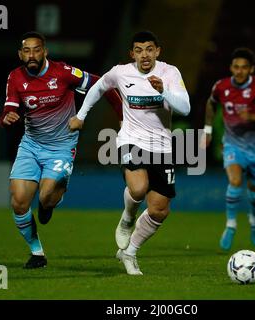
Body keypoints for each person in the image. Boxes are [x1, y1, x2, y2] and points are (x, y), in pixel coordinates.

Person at [69, 30, 190, 275]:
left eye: (149, 49)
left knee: (159, 209)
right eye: (138, 50)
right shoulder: (121, 72)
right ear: (131, 53)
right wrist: (81, 116)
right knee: (138, 188)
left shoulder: (170, 72)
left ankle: (130, 252)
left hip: (162, 147)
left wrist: (163, 90)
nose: (144, 55)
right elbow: (98, 87)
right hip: (131, 139)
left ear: (157, 51)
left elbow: (185, 108)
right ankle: (127, 217)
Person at [0, 31, 122, 269]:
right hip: (31, 145)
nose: (32, 55)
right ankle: (37, 253)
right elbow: (7, 110)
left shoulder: (63, 73)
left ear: (45, 51)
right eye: (27, 50)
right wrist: (6, 118)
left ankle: (51, 200)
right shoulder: (15, 77)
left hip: (61, 147)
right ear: (20, 54)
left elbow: (103, 85)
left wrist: (121, 116)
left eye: (36, 50)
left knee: (45, 197)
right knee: (19, 202)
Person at [200, 47, 255, 251]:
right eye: (236, 67)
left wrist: (251, 116)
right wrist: (207, 130)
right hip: (233, 144)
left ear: (251, 69)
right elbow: (211, 104)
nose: (239, 71)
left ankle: (254, 221)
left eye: (244, 67)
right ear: (231, 67)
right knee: (235, 181)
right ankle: (231, 225)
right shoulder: (221, 86)